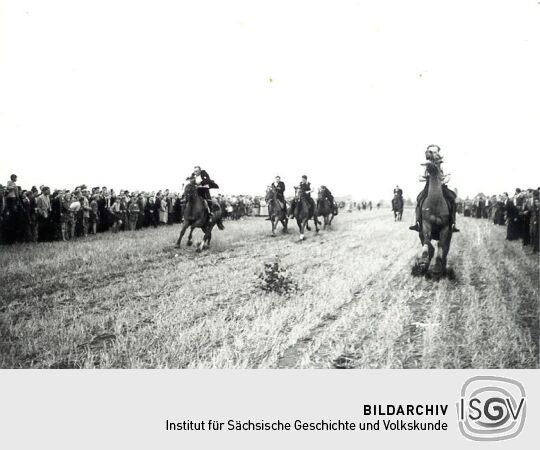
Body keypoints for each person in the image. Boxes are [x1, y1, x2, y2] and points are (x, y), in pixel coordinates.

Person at [408, 145, 460, 232]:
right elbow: (420, 177)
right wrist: (427, 178)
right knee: (419, 198)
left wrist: (443, 181)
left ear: (438, 153)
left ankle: (452, 223)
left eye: (435, 152)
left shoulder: (443, 163)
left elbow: (448, 176)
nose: (433, 154)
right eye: (431, 152)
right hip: (429, 187)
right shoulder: (426, 164)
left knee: (453, 198)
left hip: (441, 186)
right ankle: (417, 223)